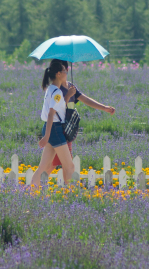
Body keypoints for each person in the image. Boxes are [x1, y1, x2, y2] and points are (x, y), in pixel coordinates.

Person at [30, 59, 115, 187]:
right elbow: (52, 113)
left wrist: (103, 107)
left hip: (52, 129)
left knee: (44, 166)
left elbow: (59, 106)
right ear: (58, 73)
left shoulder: (52, 89)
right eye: (65, 70)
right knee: (69, 166)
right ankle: (70, 195)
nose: (67, 72)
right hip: (55, 129)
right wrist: (46, 136)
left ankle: (29, 191)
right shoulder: (57, 92)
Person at [51, 67, 115, 178]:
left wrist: (104, 107)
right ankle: (68, 191)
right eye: (62, 71)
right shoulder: (57, 89)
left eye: (65, 70)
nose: (65, 72)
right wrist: (68, 95)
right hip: (58, 128)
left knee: (53, 165)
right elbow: (57, 108)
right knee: (63, 165)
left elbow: (86, 99)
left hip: (67, 128)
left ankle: (63, 190)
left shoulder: (71, 86)